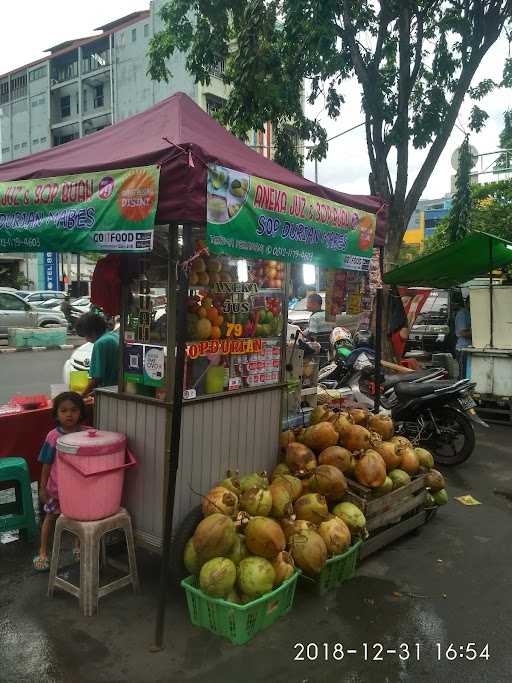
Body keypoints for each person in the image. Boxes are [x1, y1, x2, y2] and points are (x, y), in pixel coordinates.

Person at [33, 392, 90, 572]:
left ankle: (78, 547)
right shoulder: (52, 437)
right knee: (50, 518)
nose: (69, 414)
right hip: (56, 490)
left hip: (79, 489)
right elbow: (46, 463)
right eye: (64, 410)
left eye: (74, 410)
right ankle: (43, 552)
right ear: (56, 414)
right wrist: (43, 488)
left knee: (79, 518)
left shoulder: (87, 433)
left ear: (81, 412)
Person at [76, 312, 119, 396]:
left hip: (109, 394)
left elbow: (96, 379)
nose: (86, 340)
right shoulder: (114, 336)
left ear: (92, 332)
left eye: (85, 335)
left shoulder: (101, 343)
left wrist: (81, 396)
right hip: (117, 389)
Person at [455, 296, 472, 377]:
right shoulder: (462, 314)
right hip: (462, 348)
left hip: (468, 347)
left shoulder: (469, 313)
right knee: (463, 374)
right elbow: (463, 333)